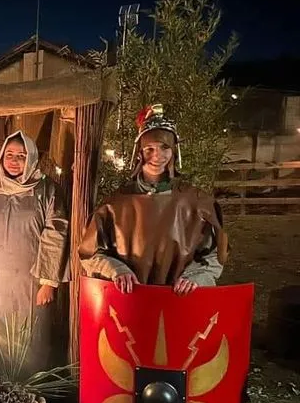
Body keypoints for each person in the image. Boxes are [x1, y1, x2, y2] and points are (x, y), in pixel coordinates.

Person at [79, 104, 227, 295]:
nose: (157, 156)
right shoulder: (115, 205)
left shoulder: (198, 203)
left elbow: (214, 255)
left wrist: (196, 276)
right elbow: (90, 253)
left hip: (180, 302)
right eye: (150, 148)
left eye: (165, 147)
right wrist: (117, 270)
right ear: (139, 153)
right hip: (130, 303)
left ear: (174, 150)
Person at [0, 131, 69, 372]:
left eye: (21, 155)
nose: (15, 161)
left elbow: (56, 233)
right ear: (1, 158)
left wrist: (48, 281)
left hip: (30, 283)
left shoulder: (46, 190)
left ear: (31, 158)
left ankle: (31, 398)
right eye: (10, 155)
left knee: (32, 338)